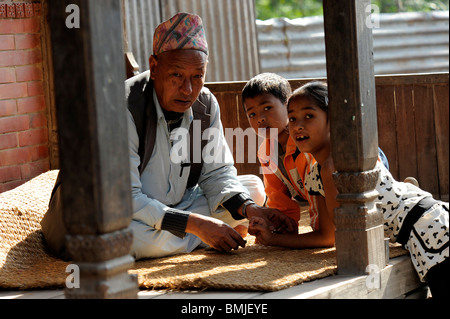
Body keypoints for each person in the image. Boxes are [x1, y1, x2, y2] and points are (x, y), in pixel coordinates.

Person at [249, 81, 449, 299]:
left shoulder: (339, 162)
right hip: (419, 233)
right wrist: (272, 239)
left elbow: (345, 228)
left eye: (309, 116)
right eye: (293, 118)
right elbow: (327, 236)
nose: (298, 126)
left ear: (333, 120)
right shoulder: (316, 173)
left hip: (431, 228)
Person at [126, 13, 297, 259]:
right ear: (154, 68)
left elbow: (217, 172)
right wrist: (198, 225)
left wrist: (250, 210)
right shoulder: (125, 107)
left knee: (253, 189)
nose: (188, 89)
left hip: (179, 205)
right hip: (124, 212)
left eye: (197, 76)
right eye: (177, 75)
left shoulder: (204, 104)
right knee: (121, 238)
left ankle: (192, 236)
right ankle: (203, 238)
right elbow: (127, 198)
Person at [241, 73, 320, 230]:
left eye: (267, 108)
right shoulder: (265, 153)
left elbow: (320, 189)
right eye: (252, 114)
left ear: (288, 104)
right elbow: (277, 197)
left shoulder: (305, 139)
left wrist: (319, 227)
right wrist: (283, 225)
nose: (260, 118)